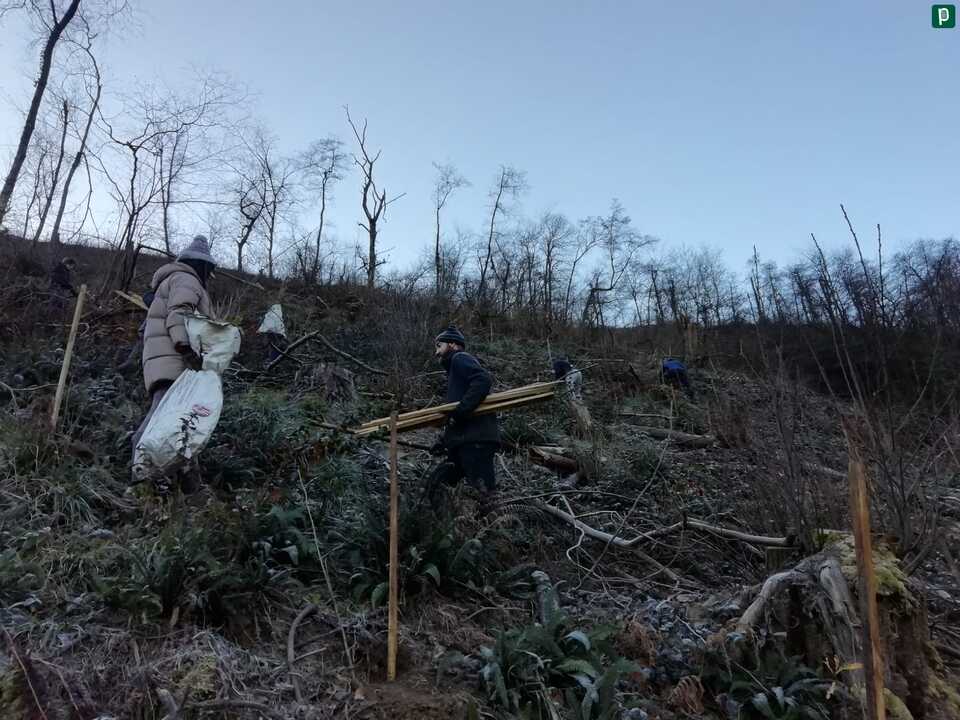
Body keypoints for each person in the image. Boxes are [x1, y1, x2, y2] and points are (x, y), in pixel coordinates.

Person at [131, 235, 215, 493]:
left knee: (182, 421)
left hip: (164, 359)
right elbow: (180, 313)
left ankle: (188, 486)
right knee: (161, 419)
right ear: (201, 265)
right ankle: (140, 478)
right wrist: (185, 347)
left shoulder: (174, 280)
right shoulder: (187, 280)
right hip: (174, 359)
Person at [428, 325, 500, 502]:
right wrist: (444, 441)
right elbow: (457, 414)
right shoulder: (456, 371)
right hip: (464, 441)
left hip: (476, 440)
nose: (436, 352)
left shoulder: (460, 358)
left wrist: (459, 412)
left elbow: (482, 380)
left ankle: (499, 517)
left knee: (484, 494)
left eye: (439, 346)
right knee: (439, 484)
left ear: (452, 344)